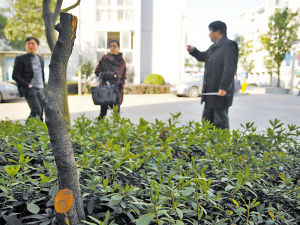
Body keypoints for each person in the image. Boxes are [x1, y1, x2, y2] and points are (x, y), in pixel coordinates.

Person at [187, 21, 238, 129]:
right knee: (206, 123)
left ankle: (222, 146)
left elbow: (230, 68)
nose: (209, 34)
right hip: (210, 93)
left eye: (210, 31)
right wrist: (194, 51)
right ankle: (208, 145)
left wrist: (224, 87)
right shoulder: (212, 48)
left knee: (220, 124)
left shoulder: (229, 45)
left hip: (220, 93)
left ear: (217, 31)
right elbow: (203, 57)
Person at [12, 37, 45, 121]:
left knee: (41, 113)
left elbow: (42, 74)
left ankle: (38, 133)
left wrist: (45, 87)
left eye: (33, 43)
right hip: (30, 89)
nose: (31, 45)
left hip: (41, 88)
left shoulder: (40, 58)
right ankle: (27, 131)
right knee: (36, 111)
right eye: (28, 43)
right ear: (26, 46)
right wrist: (28, 85)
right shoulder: (20, 59)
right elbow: (15, 75)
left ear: (37, 46)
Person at [95, 40, 126, 120]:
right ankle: (98, 129)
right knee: (103, 113)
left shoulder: (122, 61)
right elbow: (97, 72)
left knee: (116, 114)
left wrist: (121, 88)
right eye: (111, 46)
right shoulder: (105, 58)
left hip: (117, 90)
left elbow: (123, 76)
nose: (112, 48)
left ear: (118, 48)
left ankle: (115, 131)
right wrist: (111, 75)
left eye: (114, 46)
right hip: (106, 89)